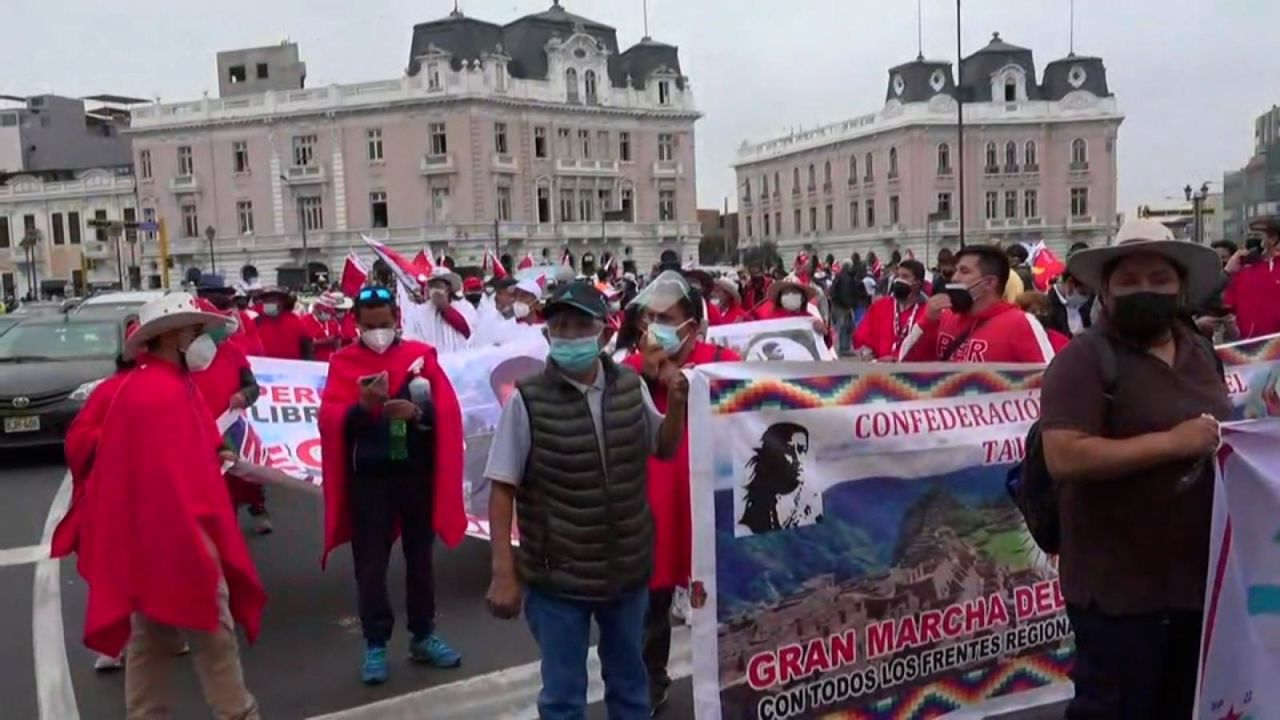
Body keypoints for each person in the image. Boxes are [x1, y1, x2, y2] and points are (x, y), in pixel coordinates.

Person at [1039, 218, 1229, 718]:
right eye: (1129, 280)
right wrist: (1171, 443)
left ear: (1182, 287)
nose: (1145, 290)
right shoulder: (1084, 359)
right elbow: (1064, 454)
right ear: (1106, 290)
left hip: (1196, 587)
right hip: (1118, 597)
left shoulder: (1201, 352)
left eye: (1159, 279)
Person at [484, 281, 688, 720]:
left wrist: (677, 403)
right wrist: (504, 571)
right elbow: (502, 488)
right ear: (547, 336)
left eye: (581, 325)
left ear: (604, 334)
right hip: (558, 579)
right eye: (561, 326)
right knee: (562, 697)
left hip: (625, 572)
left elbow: (665, 447)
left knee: (631, 688)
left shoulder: (630, 385)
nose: (570, 335)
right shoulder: (528, 400)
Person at [60, 293, 266, 718]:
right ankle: (237, 713)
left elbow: (190, 448)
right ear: (172, 337)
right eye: (195, 331)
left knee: (151, 639)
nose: (203, 339)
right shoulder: (155, 393)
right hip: (177, 539)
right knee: (212, 633)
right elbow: (162, 479)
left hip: (157, 540)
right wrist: (196, 542)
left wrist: (218, 453)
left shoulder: (169, 385)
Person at [318, 285, 468, 684]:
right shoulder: (343, 362)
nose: (378, 332)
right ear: (356, 325)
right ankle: (375, 644)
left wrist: (417, 410)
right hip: (370, 480)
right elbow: (331, 418)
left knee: (421, 560)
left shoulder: (420, 357)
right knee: (370, 566)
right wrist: (363, 410)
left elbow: (447, 411)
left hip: (415, 475)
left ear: (397, 321)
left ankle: (423, 635)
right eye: (370, 325)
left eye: (384, 324)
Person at [621, 272, 740, 714]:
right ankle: (652, 677)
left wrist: (678, 379)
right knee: (649, 603)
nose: (654, 327)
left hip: (710, 503)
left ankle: (731, 682)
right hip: (653, 506)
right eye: (649, 317)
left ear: (691, 324)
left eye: (666, 318)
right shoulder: (630, 372)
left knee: (720, 599)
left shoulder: (720, 361)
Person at [189, 298, 272, 535]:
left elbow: (252, 387)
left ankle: (258, 507)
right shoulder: (178, 361)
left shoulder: (231, 351)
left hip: (231, 426)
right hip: (197, 432)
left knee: (246, 475)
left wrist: (243, 397)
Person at [898, 245, 1056, 363]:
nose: (954, 278)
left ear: (989, 283)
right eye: (956, 270)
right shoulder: (943, 316)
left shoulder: (1021, 323)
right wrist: (927, 322)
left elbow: (1050, 380)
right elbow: (904, 362)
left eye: (964, 271)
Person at [853, 259, 928, 361]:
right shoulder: (880, 306)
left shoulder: (928, 312)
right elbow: (862, 337)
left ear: (917, 284)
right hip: (881, 372)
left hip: (913, 373)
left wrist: (897, 360)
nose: (898, 280)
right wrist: (867, 353)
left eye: (905, 276)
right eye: (898, 276)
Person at [1223, 217, 1280, 338]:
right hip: (1247, 344)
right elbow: (1227, 306)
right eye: (1250, 234)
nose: (1252, 238)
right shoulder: (1242, 269)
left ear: (1273, 239)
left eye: (1258, 234)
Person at [400, 267, 473, 352]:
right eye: (432, 286)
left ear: (448, 288)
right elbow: (410, 339)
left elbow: (468, 331)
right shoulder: (417, 312)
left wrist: (445, 307)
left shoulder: (464, 307)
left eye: (438, 286)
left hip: (459, 360)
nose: (434, 289)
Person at [197, 273, 265, 357]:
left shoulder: (242, 317)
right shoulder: (197, 319)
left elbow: (257, 348)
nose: (207, 297)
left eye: (216, 292)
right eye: (204, 294)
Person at [255, 287, 313, 360]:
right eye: (266, 301)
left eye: (273, 300)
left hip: (292, 368)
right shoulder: (257, 322)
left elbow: (307, 347)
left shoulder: (294, 321)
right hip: (265, 368)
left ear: (282, 302)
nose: (269, 303)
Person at [1045, 269, 1095, 338]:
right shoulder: (1047, 309)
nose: (1086, 299)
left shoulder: (1087, 304)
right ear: (1070, 284)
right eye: (1083, 293)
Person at [828, 261, 862, 355]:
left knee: (845, 326)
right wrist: (849, 305)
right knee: (843, 327)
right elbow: (845, 293)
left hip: (839, 304)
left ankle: (844, 347)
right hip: (843, 306)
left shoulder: (840, 276)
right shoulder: (846, 278)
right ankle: (842, 348)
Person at [302, 292, 345, 362]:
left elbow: (338, 345)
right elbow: (302, 344)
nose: (328, 315)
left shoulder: (333, 322)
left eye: (330, 312)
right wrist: (323, 341)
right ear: (316, 309)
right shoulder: (304, 321)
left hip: (330, 362)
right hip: (312, 362)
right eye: (326, 311)